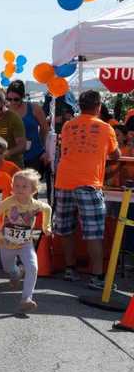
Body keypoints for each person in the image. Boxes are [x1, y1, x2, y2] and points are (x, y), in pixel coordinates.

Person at [55, 90, 120, 289]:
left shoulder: (68, 125)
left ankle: (69, 268)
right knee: (93, 232)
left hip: (64, 180)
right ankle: (98, 277)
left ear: (80, 106)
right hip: (89, 183)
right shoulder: (105, 127)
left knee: (66, 228)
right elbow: (115, 154)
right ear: (98, 106)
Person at [0, 169, 52, 314]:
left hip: (26, 244)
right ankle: (17, 272)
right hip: (7, 243)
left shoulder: (37, 205)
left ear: (34, 190)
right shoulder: (8, 202)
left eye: (24, 187)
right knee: (8, 268)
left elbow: (48, 209)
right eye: (16, 186)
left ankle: (26, 299)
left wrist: (46, 226)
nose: (19, 189)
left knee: (33, 267)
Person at [6, 80, 49, 173]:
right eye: (9, 99)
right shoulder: (5, 111)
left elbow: (44, 129)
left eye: (16, 99)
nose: (12, 102)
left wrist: (43, 149)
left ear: (22, 97)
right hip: (13, 156)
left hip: (34, 155)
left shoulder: (34, 108)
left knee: (31, 185)